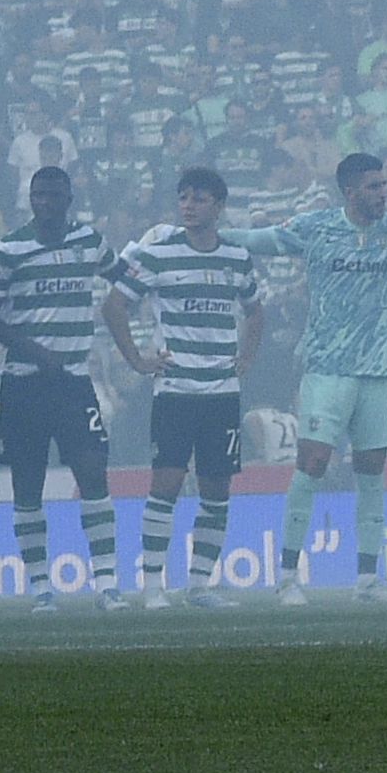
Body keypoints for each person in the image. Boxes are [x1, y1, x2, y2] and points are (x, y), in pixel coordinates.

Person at [254, 151, 387, 600]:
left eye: (385, 185)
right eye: (373, 186)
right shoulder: (317, 227)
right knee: (311, 464)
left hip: (377, 370)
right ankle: (287, 577)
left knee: (372, 470)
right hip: (328, 369)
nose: (383, 193)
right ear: (350, 192)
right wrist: (210, 233)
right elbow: (263, 239)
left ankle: (367, 580)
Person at [105, 166, 264, 602]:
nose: (189, 206)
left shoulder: (235, 257)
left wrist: (247, 356)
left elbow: (255, 309)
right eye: (184, 198)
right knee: (166, 485)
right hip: (175, 390)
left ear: (218, 205)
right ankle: (153, 584)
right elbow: (115, 305)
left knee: (216, 489)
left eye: (198, 199)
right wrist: (137, 359)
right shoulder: (158, 254)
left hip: (221, 393)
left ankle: (199, 585)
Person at [0, 164, 125, 608]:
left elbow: (126, 278)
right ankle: (41, 588)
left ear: (68, 199)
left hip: (75, 381)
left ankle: (107, 583)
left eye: (53, 194)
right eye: (37, 194)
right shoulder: (9, 249)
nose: (44, 202)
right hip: (25, 382)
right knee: (27, 483)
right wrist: (37, 352)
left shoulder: (89, 242)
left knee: (93, 472)